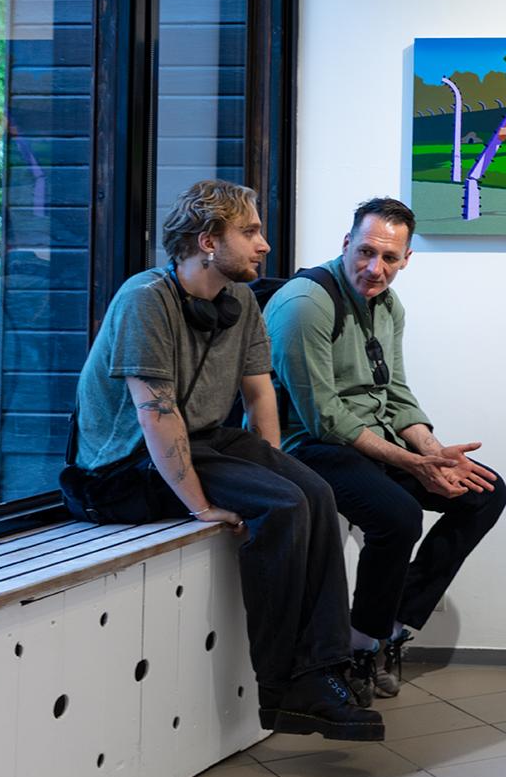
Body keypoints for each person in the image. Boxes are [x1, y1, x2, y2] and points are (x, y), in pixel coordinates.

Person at [62, 180, 381, 740]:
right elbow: (155, 416)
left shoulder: (239, 302)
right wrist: (201, 507)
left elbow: (260, 397)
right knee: (282, 506)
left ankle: (323, 669)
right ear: (208, 241)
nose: (264, 244)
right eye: (250, 231)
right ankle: (283, 689)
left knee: (315, 492)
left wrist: (276, 468)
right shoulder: (145, 299)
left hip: (203, 439)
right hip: (122, 469)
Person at [267, 197, 506, 704]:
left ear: (406, 260)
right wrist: (413, 464)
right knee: (398, 516)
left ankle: (393, 624)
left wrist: (435, 454)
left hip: (370, 440)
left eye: (389, 258)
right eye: (365, 252)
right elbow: (323, 416)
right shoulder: (305, 305)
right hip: (308, 446)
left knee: (485, 492)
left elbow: (395, 393)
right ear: (346, 244)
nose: (375, 268)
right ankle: (359, 645)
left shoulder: (389, 305)